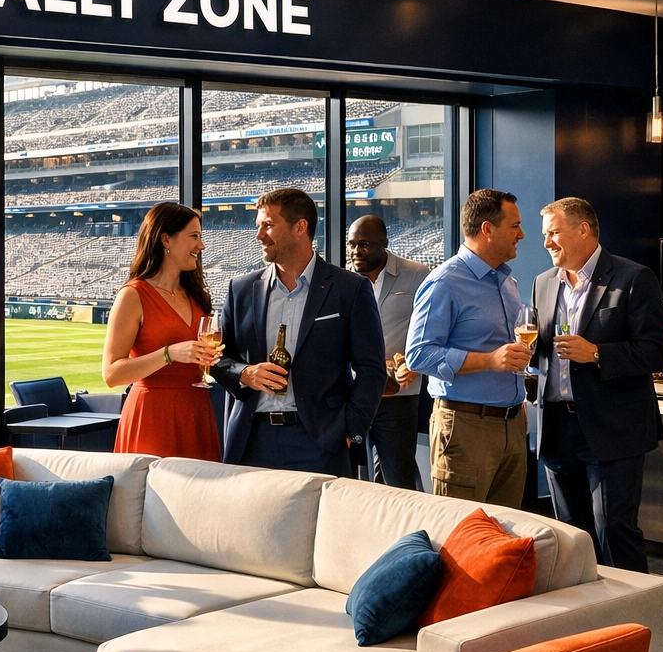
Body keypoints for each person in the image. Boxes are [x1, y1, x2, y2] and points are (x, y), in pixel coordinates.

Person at [533, 197, 663, 572]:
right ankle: (589, 608)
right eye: (545, 234)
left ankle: (638, 606)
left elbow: (658, 352)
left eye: (553, 233)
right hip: (557, 428)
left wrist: (596, 353)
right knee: (571, 537)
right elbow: (543, 352)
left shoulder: (633, 278)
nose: (546, 243)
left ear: (583, 230)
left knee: (614, 530)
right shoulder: (543, 283)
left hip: (613, 428)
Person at [212, 187, 385, 477]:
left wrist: (349, 430)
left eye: (268, 225)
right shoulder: (241, 289)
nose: (259, 235)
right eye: (258, 226)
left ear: (300, 227)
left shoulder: (350, 289)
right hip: (252, 441)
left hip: (320, 442)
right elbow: (218, 358)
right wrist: (245, 373)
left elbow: (372, 370)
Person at [406, 189, 531, 506]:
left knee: (505, 529)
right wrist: (490, 360)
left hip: (512, 425)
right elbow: (418, 355)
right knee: (463, 528)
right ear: (488, 229)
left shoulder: (508, 283)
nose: (521, 234)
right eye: (514, 226)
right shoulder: (444, 282)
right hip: (464, 429)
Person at [103, 202, 222, 461]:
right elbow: (111, 374)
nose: (201, 246)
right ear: (166, 239)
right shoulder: (133, 295)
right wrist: (169, 354)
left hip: (197, 411)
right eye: (194, 236)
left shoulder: (196, 297)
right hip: (152, 417)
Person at [346, 215, 430, 489]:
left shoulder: (418, 274)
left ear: (384, 243)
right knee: (350, 478)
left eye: (364, 244)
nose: (356, 251)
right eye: (352, 244)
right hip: (353, 393)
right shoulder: (343, 279)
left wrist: (413, 363)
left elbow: (429, 328)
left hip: (398, 395)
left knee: (398, 479)